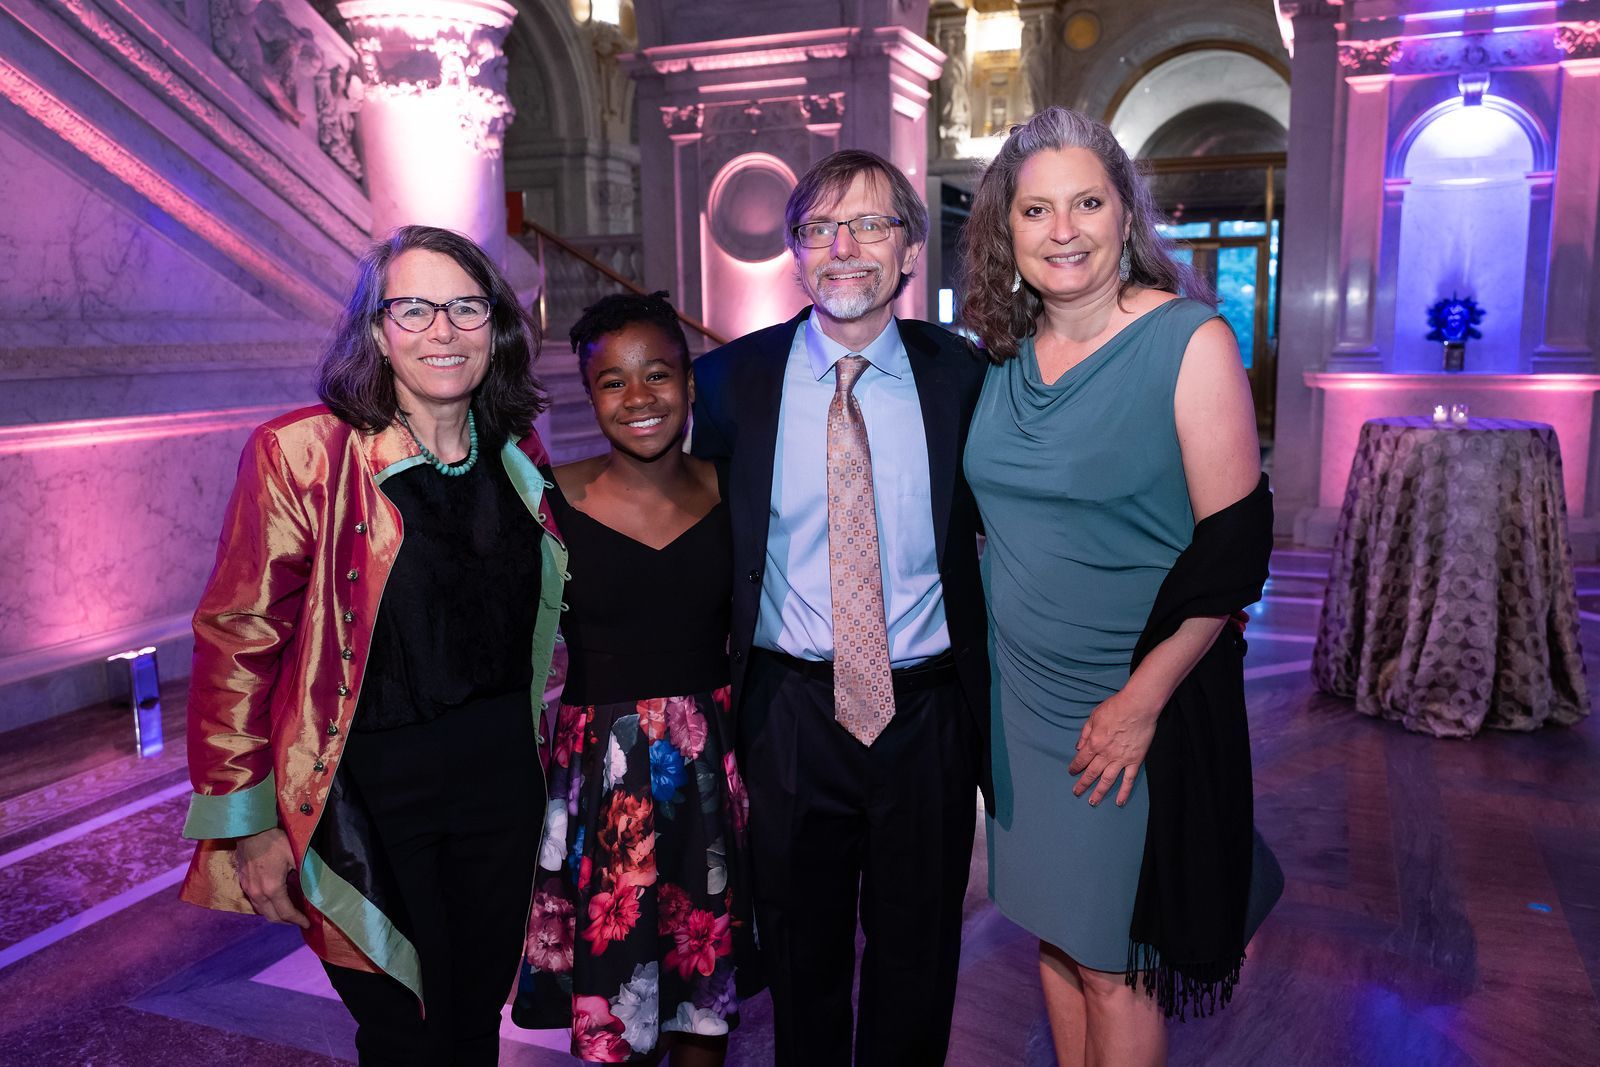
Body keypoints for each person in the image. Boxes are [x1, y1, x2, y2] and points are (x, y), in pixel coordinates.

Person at [179, 225, 567, 1065]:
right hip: (363, 792)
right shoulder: (303, 454)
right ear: (376, 329)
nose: (442, 330)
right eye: (414, 308)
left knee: (470, 1022)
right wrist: (250, 827)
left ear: (496, 325)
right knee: (400, 1030)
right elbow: (239, 637)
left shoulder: (518, 452)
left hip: (501, 781)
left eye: (466, 307)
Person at [958, 106, 1272, 1067]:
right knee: (1058, 934)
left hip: (1130, 704)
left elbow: (1235, 552)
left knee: (1118, 962)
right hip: (1022, 707)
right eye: (1037, 209)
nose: (1064, 230)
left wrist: (1142, 701)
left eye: (1087, 202)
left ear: (1125, 213)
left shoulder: (1190, 341)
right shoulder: (1000, 360)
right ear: (1004, 231)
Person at [690, 149, 990, 1066]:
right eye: (819, 228)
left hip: (927, 712)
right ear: (794, 253)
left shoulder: (967, 379)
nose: (844, 247)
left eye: (870, 224)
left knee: (919, 955)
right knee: (798, 955)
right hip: (788, 712)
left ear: (909, 251)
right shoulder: (729, 382)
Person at [511, 291, 755, 1064]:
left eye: (658, 374)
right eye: (613, 381)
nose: (639, 397)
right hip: (600, 777)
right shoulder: (548, 499)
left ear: (690, 382)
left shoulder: (735, 490)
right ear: (589, 395)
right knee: (615, 1017)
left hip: (711, 772)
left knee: (704, 1011)